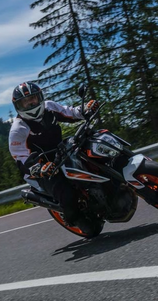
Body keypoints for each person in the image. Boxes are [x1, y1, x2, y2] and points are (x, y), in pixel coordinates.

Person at [8, 81, 98, 227]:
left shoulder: (49, 107)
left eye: (33, 98)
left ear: (39, 97)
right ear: (18, 105)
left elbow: (70, 113)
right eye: (25, 102)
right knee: (66, 193)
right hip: (41, 169)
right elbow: (20, 159)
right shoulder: (18, 129)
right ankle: (74, 219)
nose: (31, 103)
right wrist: (38, 168)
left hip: (62, 153)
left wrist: (86, 109)